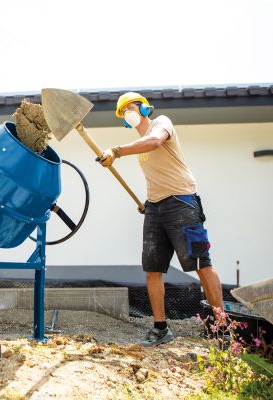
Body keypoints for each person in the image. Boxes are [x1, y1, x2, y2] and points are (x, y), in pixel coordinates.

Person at [97, 92, 224, 347]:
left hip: (181, 201)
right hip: (155, 206)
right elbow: (155, 173)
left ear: (144, 109)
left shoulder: (161, 124)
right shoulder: (139, 144)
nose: (127, 113)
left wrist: (117, 151)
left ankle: (222, 327)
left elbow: (155, 142)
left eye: (131, 107)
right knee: (152, 270)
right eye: (123, 113)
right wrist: (150, 203)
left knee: (201, 263)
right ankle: (160, 328)